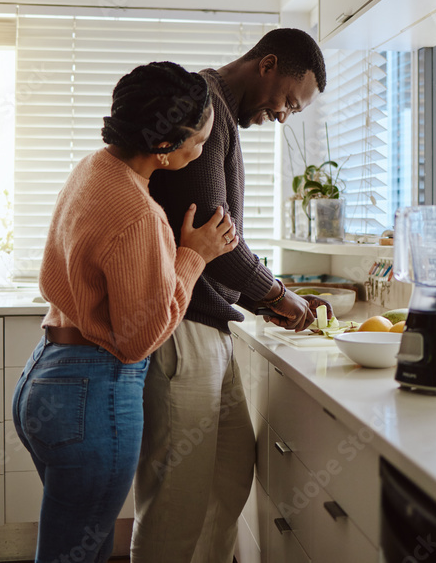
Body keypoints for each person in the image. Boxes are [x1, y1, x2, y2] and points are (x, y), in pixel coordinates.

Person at [12, 61, 239, 563]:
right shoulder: (137, 211)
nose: (201, 153)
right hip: (92, 392)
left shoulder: (94, 168)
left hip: (44, 378)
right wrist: (194, 256)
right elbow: (140, 337)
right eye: (197, 143)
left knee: (65, 545)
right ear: (164, 145)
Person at [134, 28, 330, 563]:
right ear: (267, 64)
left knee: (227, 474)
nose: (284, 116)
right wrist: (276, 293)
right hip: (183, 327)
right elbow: (216, 239)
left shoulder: (218, 112)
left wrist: (268, 298)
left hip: (207, 326)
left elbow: (222, 240)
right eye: (289, 100)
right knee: (176, 498)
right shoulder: (202, 109)